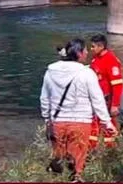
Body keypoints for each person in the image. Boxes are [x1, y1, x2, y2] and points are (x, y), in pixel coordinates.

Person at [40, 38, 117, 182]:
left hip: (57, 122)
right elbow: (98, 100)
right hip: (80, 123)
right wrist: (107, 123)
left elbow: (45, 99)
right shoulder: (87, 74)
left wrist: (47, 119)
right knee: (76, 164)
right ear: (79, 53)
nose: (88, 53)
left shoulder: (50, 72)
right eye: (85, 50)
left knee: (59, 161)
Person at [89, 34, 123, 149]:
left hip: (106, 100)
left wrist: (115, 105)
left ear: (101, 46)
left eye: (93, 47)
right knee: (94, 124)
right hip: (96, 98)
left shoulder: (111, 60)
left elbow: (117, 85)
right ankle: (91, 150)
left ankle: (111, 150)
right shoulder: (95, 59)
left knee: (108, 125)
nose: (91, 49)